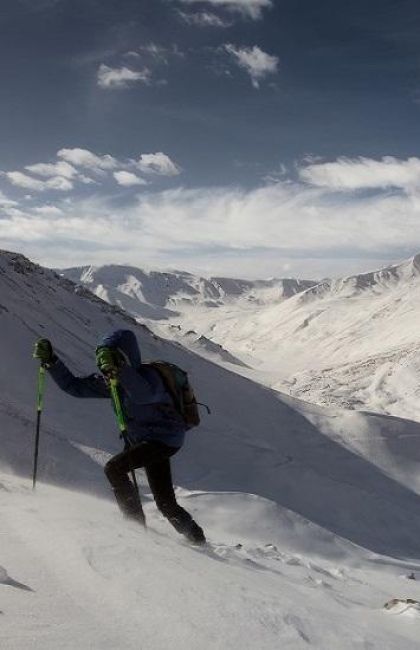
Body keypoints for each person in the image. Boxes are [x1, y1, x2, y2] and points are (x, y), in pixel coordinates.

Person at [33, 329, 206, 545]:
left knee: (114, 469)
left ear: (125, 357)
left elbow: (144, 395)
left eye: (111, 357)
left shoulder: (151, 378)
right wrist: (52, 362)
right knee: (165, 502)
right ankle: (197, 539)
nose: (104, 366)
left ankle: (135, 528)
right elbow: (74, 387)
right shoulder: (114, 382)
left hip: (165, 440)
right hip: (144, 441)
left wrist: (120, 370)